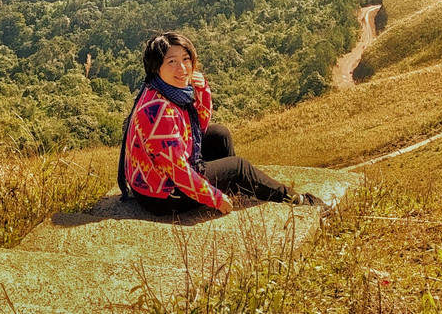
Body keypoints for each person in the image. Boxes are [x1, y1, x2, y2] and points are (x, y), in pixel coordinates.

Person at [117, 31, 325, 215]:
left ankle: (235, 186)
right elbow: (176, 170)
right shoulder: (159, 110)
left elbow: (199, 127)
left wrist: (203, 92)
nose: (182, 68)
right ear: (156, 68)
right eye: (171, 62)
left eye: (186, 59)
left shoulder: (165, 90)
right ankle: (295, 199)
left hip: (156, 179)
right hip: (162, 196)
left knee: (219, 135)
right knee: (239, 168)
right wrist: (214, 198)